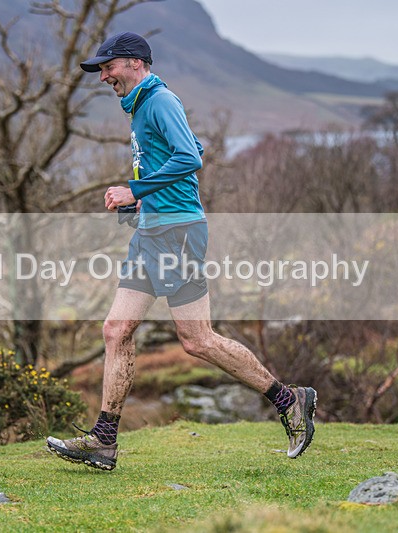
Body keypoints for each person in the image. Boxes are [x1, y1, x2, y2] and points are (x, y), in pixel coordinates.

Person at [46, 32, 316, 471]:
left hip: (179, 234)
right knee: (116, 330)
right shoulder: (141, 106)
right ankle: (104, 440)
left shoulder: (159, 100)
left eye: (108, 67)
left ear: (134, 63)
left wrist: (135, 188)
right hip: (152, 232)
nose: (103, 77)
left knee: (197, 340)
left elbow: (190, 157)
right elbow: (189, 148)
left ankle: (289, 400)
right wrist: (140, 200)